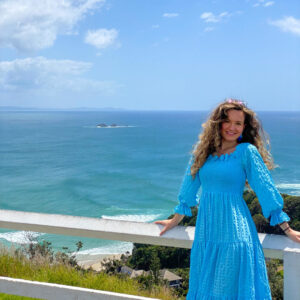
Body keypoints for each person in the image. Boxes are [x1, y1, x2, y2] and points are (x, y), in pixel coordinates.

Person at [154, 98, 300, 299]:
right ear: (218, 123)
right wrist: (175, 220)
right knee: (207, 288)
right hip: (207, 233)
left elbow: (266, 191)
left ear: (244, 127)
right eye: (227, 121)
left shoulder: (246, 152)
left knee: (230, 289)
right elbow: (188, 191)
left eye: (238, 123)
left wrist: (287, 229)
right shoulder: (202, 153)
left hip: (236, 233)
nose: (232, 127)